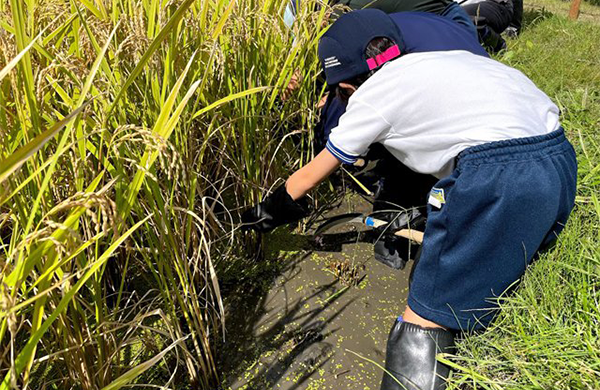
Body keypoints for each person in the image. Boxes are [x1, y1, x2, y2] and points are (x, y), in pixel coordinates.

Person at [243, 8, 577, 390]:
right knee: (501, 266)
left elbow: (308, 176)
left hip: (497, 175)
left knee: (428, 310)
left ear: (347, 87)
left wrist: (265, 212)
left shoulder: (371, 97)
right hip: (560, 158)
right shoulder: (443, 60)